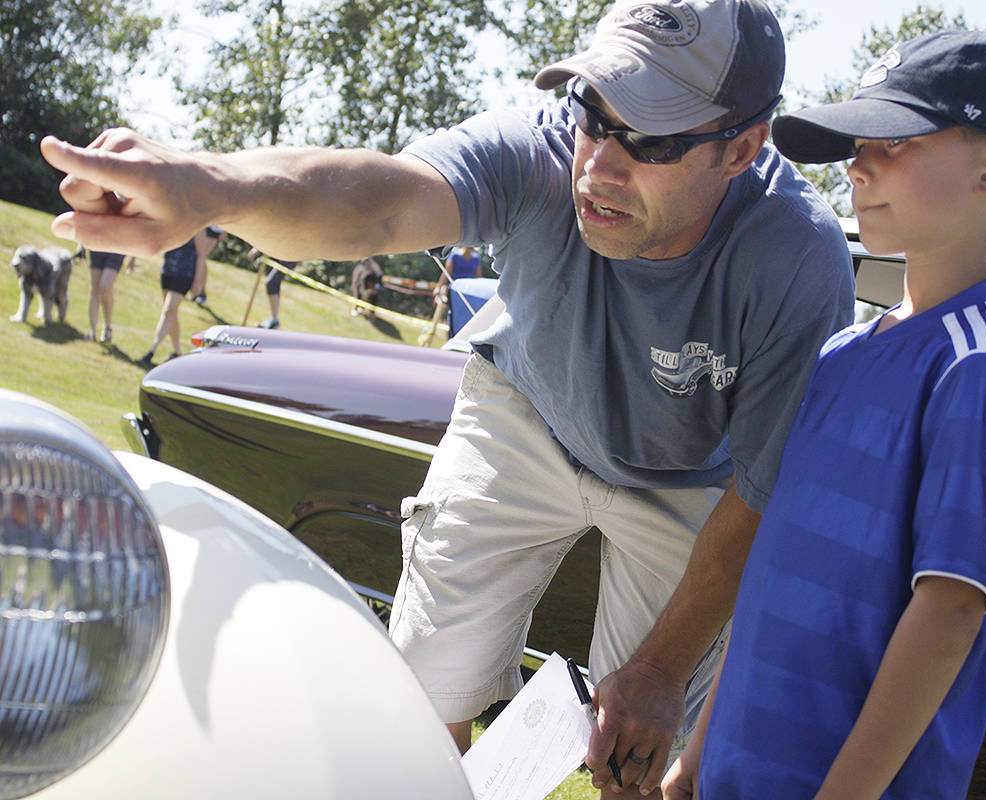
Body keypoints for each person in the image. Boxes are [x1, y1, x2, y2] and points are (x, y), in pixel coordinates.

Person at [39, 1, 854, 795]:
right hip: (526, 409)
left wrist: (661, 668)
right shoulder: (538, 153)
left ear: (742, 147)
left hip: (685, 475)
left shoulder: (797, 261)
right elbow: (383, 199)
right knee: (420, 700)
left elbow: (760, 488)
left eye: (655, 139)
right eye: (595, 116)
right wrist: (212, 187)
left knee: (636, 752)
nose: (601, 164)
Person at [664, 30, 986, 800]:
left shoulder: (983, 367)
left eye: (895, 142)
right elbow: (773, 572)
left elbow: (949, 611)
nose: (858, 164)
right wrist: (701, 748)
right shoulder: (841, 353)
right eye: (857, 144)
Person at [137, 226, 222, 367]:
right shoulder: (176, 220)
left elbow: (201, 255)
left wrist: (197, 282)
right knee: (171, 314)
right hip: (168, 270)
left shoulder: (198, 228)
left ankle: (151, 351)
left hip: (185, 274)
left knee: (168, 310)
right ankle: (177, 352)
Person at [419, 245, 483, 346]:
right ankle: (448, 341)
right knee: (449, 317)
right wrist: (438, 287)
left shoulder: (476, 259)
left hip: (467, 294)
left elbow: (478, 278)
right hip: (453, 292)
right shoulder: (455, 256)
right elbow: (446, 273)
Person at [83, 248, 129, 343]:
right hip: (97, 244)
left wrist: (133, 258)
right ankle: (93, 332)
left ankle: (107, 327)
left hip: (117, 249)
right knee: (95, 288)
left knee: (105, 287)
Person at [247, 247, 296, 329]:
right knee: (272, 283)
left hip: (291, 255)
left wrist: (256, 249)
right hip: (283, 253)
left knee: (272, 282)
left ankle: (274, 320)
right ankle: (274, 319)